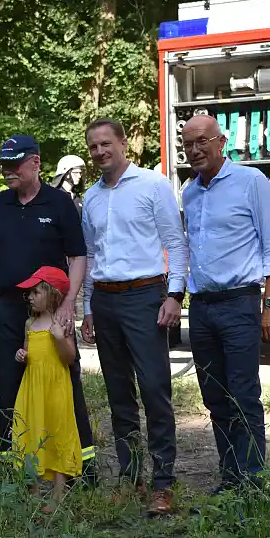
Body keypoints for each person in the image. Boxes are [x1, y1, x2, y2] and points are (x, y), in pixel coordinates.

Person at [0, 135, 99, 486]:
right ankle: (17, 467)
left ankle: (80, 469)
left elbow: (78, 256)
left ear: (35, 162)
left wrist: (66, 305)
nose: (6, 172)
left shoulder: (60, 203)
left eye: (13, 165)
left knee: (64, 386)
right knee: (9, 383)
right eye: (2, 165)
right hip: (6, 309)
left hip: (49, 311)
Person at [79, 117, 188, 516]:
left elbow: (175, 243)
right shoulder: (90, 198)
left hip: (145, 296)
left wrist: (175, 295)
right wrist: (88, 308)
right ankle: (131, 477)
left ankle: (163, 483)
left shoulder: (153, 185)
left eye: (106, 143)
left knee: (155, 389)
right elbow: (90, 257)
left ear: (123, 144)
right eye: (93, 146)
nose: (100, 152)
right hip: (105, 301)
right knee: (119, 395)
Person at [180, 114, 270, 494]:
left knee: (243, 394)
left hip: (240, 304)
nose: (194, 150)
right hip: (202, 307)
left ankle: (253, 482)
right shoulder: (189, 192)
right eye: (188, 144)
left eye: (201, 141)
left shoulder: (250, 182)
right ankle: (231, 478)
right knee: (215, 397)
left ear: (221, 141)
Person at [11, 266, 82, 513]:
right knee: (32, 430)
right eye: (29, 293)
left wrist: (60, 338)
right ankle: (34, 490)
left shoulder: (61, 323)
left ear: (52, 294)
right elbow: (28, 353)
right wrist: (22, 355)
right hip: (33, 387)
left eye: (36, 292)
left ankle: (58, 495)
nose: (30, 297)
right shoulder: (30, 323)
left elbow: (69, 359)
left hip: (55, 388)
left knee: (56, 431)